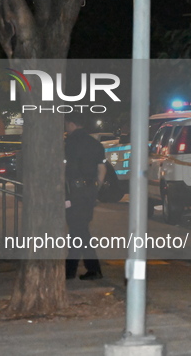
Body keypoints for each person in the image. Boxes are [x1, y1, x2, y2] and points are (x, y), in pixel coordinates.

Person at [64, 112, 107, 280]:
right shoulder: (96, 144)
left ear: (73, 124)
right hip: (89, 191)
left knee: (77, 229)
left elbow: (64, 171)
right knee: (79, 229)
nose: (66, 128)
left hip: (73, 192)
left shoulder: (70, 144)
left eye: (67, 125)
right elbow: (102, 171)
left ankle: (80, 270)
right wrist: (95, 189)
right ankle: (80, 269)